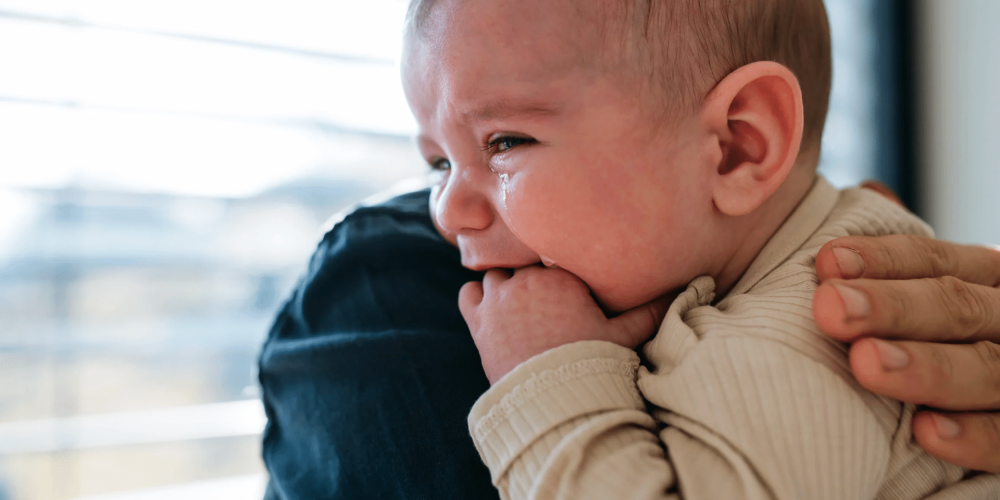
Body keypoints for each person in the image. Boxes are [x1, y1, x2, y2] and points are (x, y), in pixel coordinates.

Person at [258, 15, 1000, 500]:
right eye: (437, 164)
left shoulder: (813, 328)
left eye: (505, 142)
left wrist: (545, 380)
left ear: (739, 145)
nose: (449, 213)